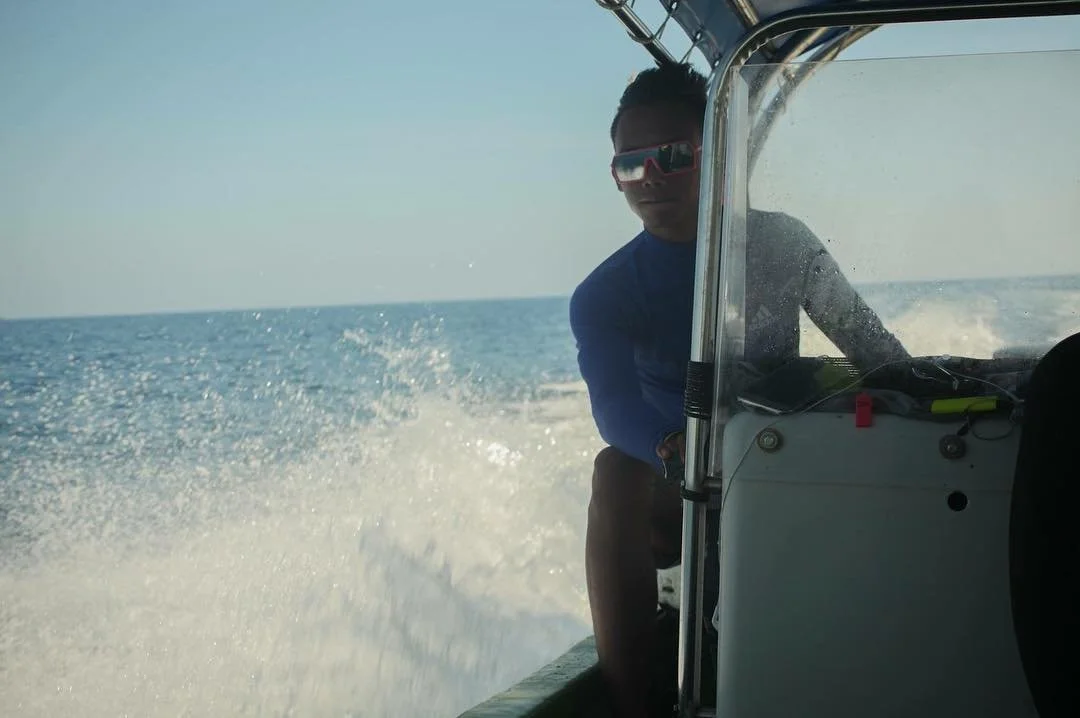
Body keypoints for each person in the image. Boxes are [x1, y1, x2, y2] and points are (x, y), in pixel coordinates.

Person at [568, 62, 909, 718]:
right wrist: (676, 449)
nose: (652, 178)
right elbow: (615, 413)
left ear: (716, 152)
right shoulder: (606, 294)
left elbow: (875, 353)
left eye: (671, 155)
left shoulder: (782, 243)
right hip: (685, 491)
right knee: (614, 471)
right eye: (630, 165)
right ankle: (635, 705)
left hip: (789, 465)